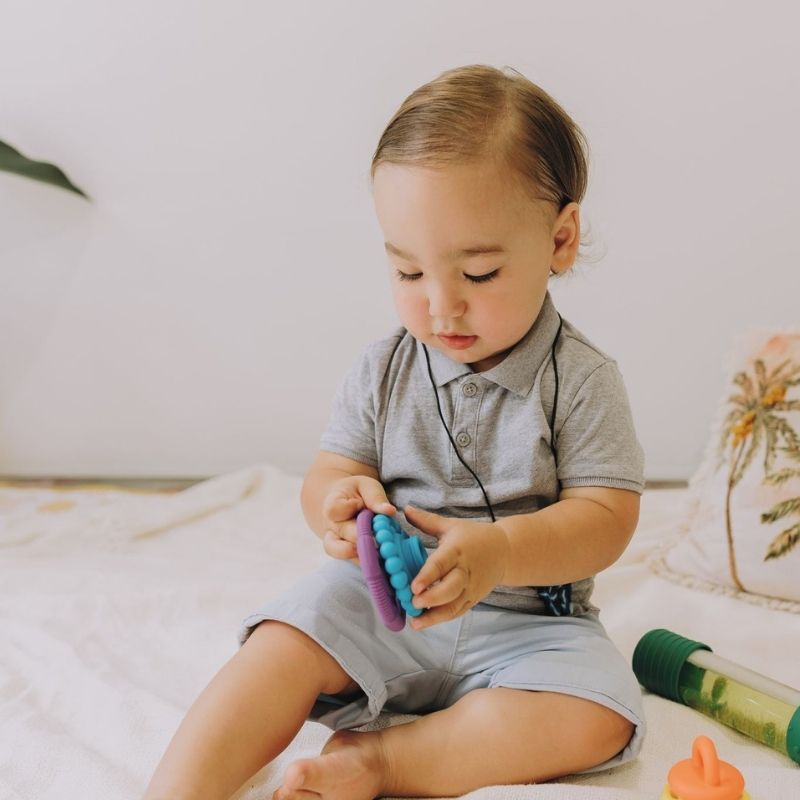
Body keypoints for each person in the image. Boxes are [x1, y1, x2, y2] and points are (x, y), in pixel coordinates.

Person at [143, 63, 647, 800]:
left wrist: (501, 551)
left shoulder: (583, 380)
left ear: (560, 240)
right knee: (280, 643)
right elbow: (329, 473)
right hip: (381, 608)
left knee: (597, 717)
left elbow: (607, 519)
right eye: (409, 273)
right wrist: (336, 505)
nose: (442, 308)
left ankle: (384, 762)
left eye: (477, 274)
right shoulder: (384, 369)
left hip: (531, 622)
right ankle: (176, 790)